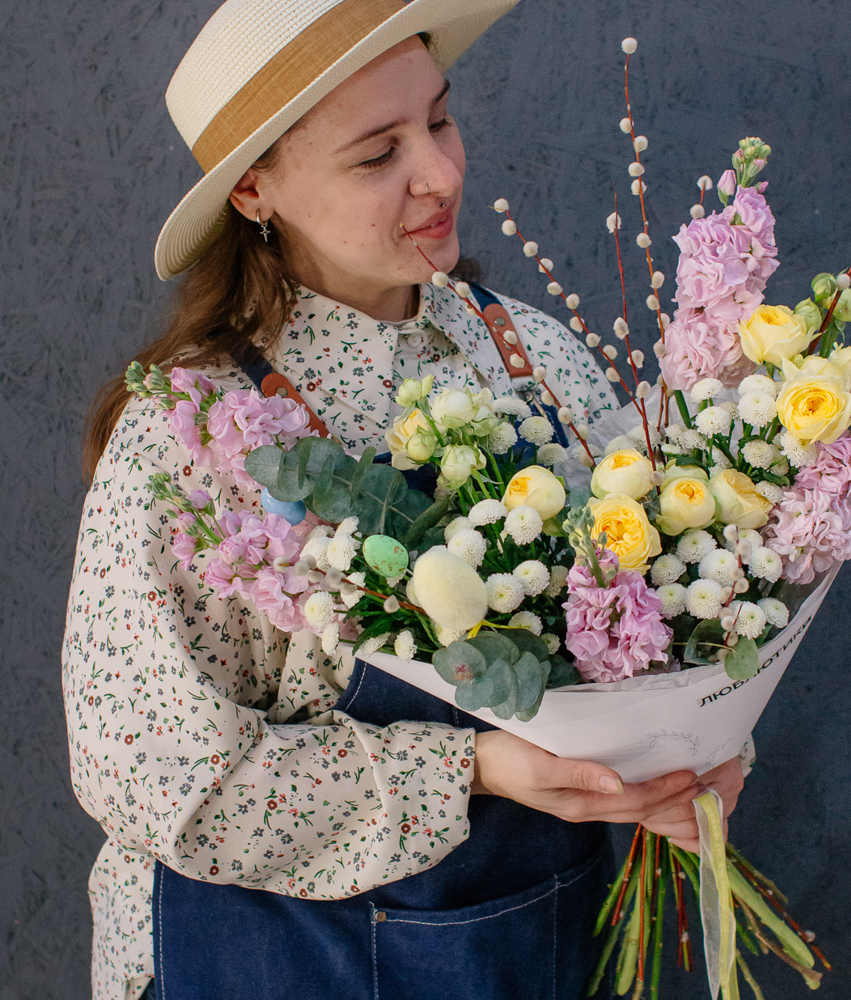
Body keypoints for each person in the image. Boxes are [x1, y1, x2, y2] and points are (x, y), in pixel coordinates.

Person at [63, 2, 745, 998]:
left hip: (533, 942)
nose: (441, 174)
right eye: (377, 152)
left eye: (439, 119)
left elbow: (650, 621)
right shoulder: (196, 436)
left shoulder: (533, 357)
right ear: (254, 189)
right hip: (279, 959)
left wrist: (692, 753)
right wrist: (473, 769)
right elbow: (156, 777)